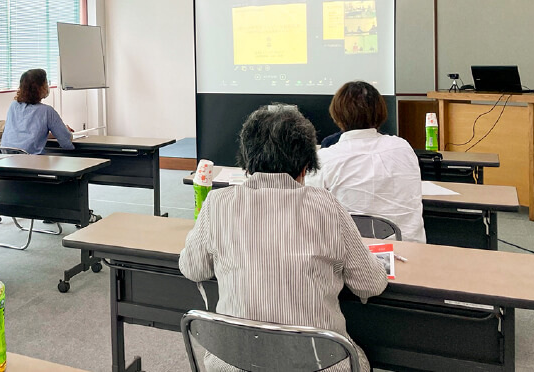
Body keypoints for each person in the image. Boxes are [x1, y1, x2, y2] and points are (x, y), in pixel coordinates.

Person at [179, 105, 388, 372]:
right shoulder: (326, 206)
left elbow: (192, 268)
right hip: (319, 363)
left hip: (234, 362)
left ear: (246, 159)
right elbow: (370, 285)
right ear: (305, 165)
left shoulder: (217, 203)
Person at [313, 81, 426, 243]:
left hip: (351, 260)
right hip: (410, 253)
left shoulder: (325, 159)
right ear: (380, 112)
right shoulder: (403, 148)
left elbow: (309, 212)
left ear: (337, 115)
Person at [0, 69, 74, 155]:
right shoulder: (47, 111)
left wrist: (53, 134)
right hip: (31, 162)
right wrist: (65, 132)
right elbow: (66, 142)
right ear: (40, 88)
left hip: (7, 161)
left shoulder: (13, 106)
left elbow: (26, 134)